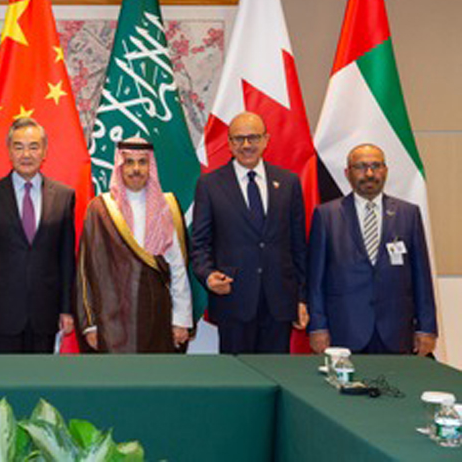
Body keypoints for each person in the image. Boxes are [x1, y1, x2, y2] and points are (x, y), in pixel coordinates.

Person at [191, 112, 308, 353]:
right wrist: (208, 275)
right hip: (233, 299)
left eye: (253, 137)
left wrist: (302, 297)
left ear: (266, 139)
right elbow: (200, 243)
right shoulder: (210, 184)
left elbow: (298, 246)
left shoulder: (289, 182)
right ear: (230, 144)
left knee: (277, 377)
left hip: (279, 302)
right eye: (239, 139)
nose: (247, 145)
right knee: (237, 379)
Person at [307, 144, 437, 355]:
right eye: (361, 167)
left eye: (376, 166)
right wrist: (318, 326)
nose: (369, 173)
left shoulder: (409, 214)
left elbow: (421, 276)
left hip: (396, 331)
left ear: (385, 171)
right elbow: (316, 280)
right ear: (348, 173)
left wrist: (426, 327)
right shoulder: (326, 215)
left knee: (396, 387)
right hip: (344, 330)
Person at [75, 137, 193, 353]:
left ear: (151, 166)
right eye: (129, 162)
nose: (136, 169)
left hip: (156, 316)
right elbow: (85, 272)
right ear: (120, 166)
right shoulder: (100, 209)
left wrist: (181, 320)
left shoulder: (167, 208)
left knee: (154, 381)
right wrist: (90, 324)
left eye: (142, 162)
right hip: (111, 322)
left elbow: (177, 270)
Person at [0, 118, 76, 353]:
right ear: (9, 151)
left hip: (46, 313)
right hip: (2, 313)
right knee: (4, 385)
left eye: (33, 146)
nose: (26, 154)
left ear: (45, 151)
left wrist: (67, 308)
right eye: (18, 147)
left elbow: (67, 259)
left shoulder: (63, 196)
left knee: (42, 385)